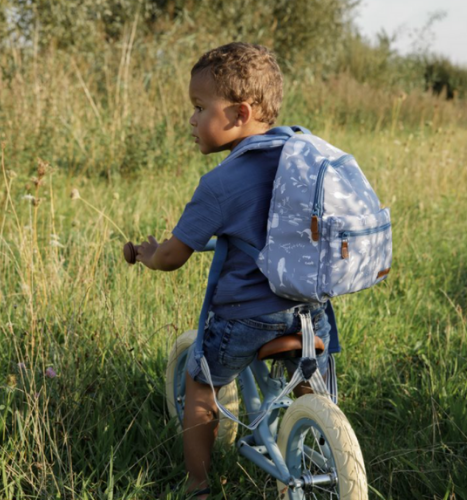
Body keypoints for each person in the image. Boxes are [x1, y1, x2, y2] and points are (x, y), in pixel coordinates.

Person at [135, 42, 331, 499]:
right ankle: (319, 434)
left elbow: (172, 256)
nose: (192, 119)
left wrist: (148, 254)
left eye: (201, 108)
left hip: (246, 317)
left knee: (200, 383)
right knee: (306, 382)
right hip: (309, 309)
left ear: (240, 114)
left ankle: (197, 484)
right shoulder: (304, 159)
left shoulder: (221, 182)